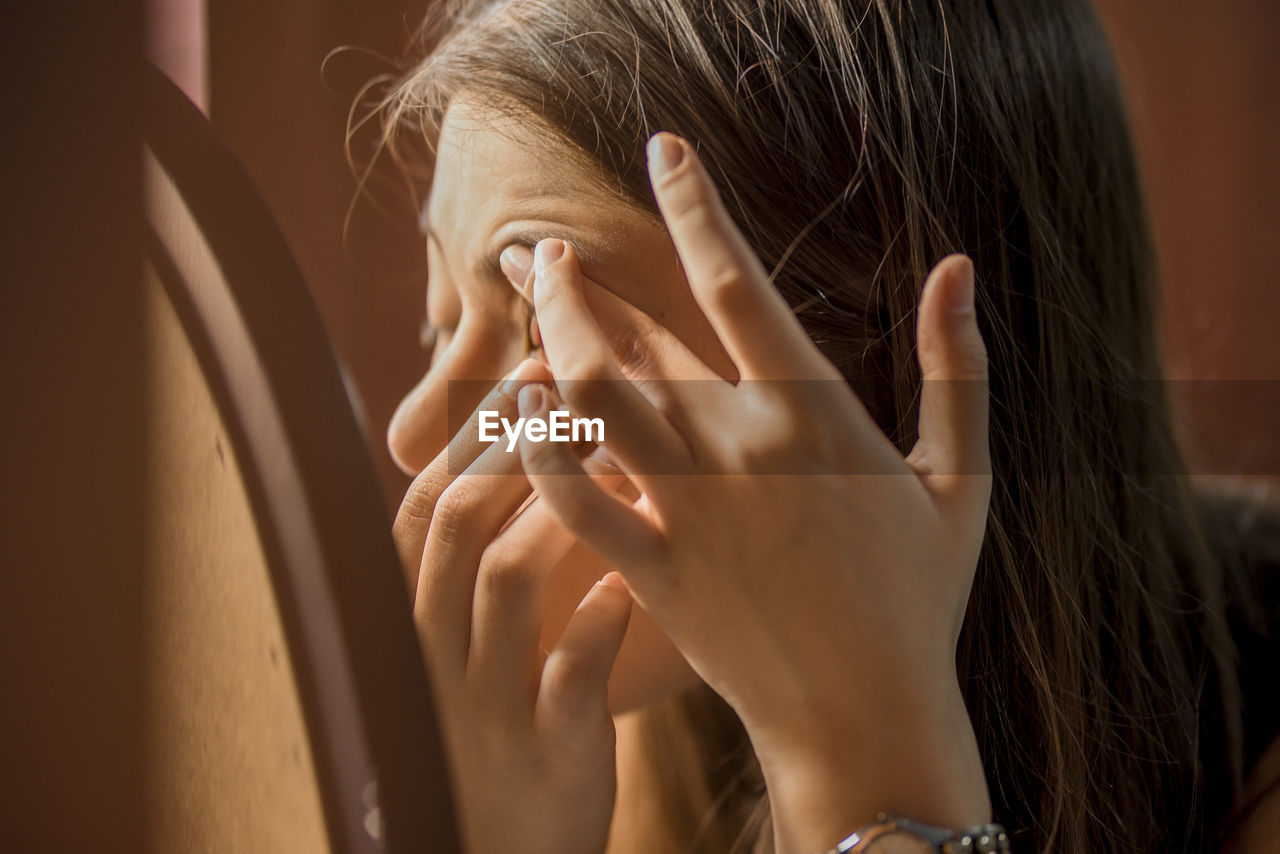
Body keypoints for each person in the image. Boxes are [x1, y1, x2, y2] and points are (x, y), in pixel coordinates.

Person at [365, 0, 1280, 851]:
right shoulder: (597, 747)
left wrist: (861, 757)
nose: (416, 433)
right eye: (440, 317)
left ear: (887, 382)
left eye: (544, 333)